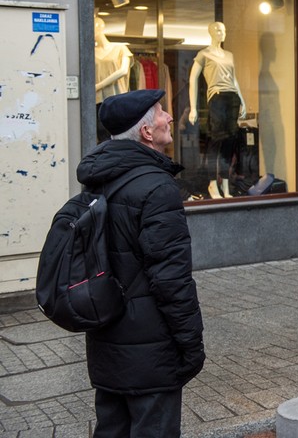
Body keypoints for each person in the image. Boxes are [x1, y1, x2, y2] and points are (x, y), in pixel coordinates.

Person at [78, 89, 204, 437]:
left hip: (107, 340)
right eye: (162, 113)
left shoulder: (95, 181)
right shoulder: (158, 189)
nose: (167, 118)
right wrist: (191, 346)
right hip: (151, 353)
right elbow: (172, 281)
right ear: (147, 132)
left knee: (112, 429)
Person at [188, 22, 247, 199]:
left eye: (224, 30)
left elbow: (234, 79)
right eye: (219, 30)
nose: (222, 33)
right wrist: (193, 108)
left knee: (229, 143)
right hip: (217, 97)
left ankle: (226, 187)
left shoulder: (229, 55)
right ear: (211, 32)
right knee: (216, 142)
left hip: (232, 98)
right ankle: (212, 184)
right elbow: (193, 80)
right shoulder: (204, 54)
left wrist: (242, 100)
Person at [94, 16, 133, 141]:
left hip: (117, 98)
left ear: (100, 28)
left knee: (120, 132)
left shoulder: (120, 48)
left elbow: (123, 70)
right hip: (98, 100)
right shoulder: (90, 52)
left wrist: (98, 86)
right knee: (102, 134)